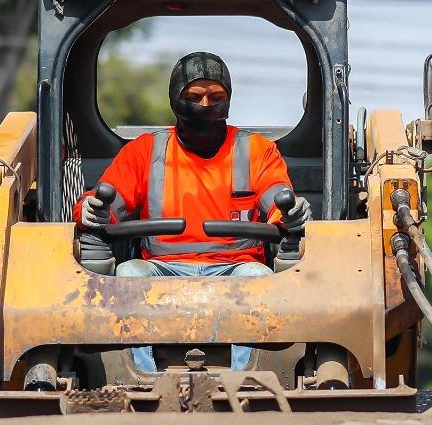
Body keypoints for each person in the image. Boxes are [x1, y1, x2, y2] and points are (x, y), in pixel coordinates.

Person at [77, 51, 311, 371]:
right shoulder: (145, 151)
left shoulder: (257, 150)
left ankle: (245, 380)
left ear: (228, 101)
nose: (205, 105)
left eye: (216, 96)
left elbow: (277, 196)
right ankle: (142, 376)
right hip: (162, 267)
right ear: (176, 100)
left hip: (235, 267)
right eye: (194, 96)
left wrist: (289, 211)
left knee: (260, 278)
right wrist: (91, 209)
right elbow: (107, 201)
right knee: (128, 274)